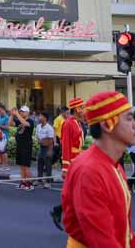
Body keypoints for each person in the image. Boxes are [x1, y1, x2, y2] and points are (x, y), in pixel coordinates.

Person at [61, 91, 135, 248]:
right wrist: (65, 166)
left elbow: (126, 231)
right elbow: (102, 241)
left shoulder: (114, 166)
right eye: (129, 118)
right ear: (107, 125)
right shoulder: (89, 171)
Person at [50, 98, 85, 230]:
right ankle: (65, 214)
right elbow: (66, 146)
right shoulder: (68, 124)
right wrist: (65, 168)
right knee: (77, 192)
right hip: (72, 162)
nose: (84, 110)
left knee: (78, 192)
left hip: (79, 159)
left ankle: (59, 211)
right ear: (77, 109)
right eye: (82, 107)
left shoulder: (77, 122)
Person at [10, 105, 34, 191]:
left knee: (26, 165)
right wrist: (12, 115)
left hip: (26, 146)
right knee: (21, 165)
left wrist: (17, 114)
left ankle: (29, 183)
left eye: (23, 111)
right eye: (20, 111)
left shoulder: (30, 121)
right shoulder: (19, 120)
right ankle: (23, 182)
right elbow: (10, 124)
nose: (21, 113)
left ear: (27, 112)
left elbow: (25, 124)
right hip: (19, 145)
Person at [36, 112, 55, 189]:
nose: (39, 117)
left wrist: (50, 150)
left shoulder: (49, 128)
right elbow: (37, 136)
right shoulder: (38, 126)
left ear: (45, 118)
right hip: (41, 147)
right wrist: (42, 141)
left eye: (41, 116)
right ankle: (39, 180)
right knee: (39, 164)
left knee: (48, 165)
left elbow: (50, 140)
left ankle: (48, 182)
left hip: (48, 148)